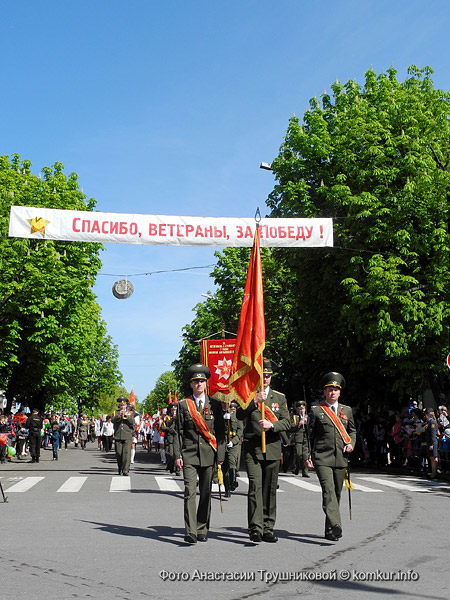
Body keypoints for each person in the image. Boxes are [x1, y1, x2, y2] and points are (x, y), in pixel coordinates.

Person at [235, 358, 291, 543]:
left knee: (269, 489)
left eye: (268, 376)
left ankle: (268, 527)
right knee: (255, 487)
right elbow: (240, 414)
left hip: (273, 447)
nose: (265, 379)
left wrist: (272, 425)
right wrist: (254, 401)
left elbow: (287, 422)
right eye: (262, 375)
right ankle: (255, 528)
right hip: (253, 448)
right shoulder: (248, 394)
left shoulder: (279, 398)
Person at [174, 364, 225, 544]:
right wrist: (177, 455)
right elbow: (178, 431)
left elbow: (220, 433)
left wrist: (221, 456)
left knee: (205, 492)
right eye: (196, 381)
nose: (199, 384)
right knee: (189, 491)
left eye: (202, 381)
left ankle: (202, 527)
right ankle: (191, 531)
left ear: (206, 383)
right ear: (191, 384)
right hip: (188, 453)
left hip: (209, 454)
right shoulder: (183, 405)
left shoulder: (216, 405)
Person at [306, 372, 356, 541]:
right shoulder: (316, 410)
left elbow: (352, 431)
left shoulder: (347, 410)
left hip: (341, 458)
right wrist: (307, 455)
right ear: (324, 392)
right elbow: (309, 435)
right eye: (329, 389)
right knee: (328, 491)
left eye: (335, 389)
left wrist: (351, 443)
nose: (332, 392)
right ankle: (336, 524)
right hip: (322, 457)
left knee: (336, 493)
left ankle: (330, 530)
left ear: (339, 392)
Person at [112, 398, 135, 475]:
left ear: (126, 405)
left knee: (126, 453)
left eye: (124, 405)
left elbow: (132, 422)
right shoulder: (115, 412)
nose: (122, 406)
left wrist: (127, 416)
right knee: (118, 453)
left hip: (127, 436)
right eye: (121, 405)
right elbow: (112, 420)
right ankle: (120, 467)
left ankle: (125, 469)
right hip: (118, 435)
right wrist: (119, 415)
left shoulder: (130, 413)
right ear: (119, 405)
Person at [291, 401, 310, 477]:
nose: (301, 410)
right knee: (299, 454)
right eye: (299, 409)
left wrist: (307, 423)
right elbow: (291, 427)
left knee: (306, 455)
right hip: (298, 438)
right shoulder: (295, 417)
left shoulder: (308, 416)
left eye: (303, 409)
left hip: (306, 438)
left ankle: (305, 472)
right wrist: (299, 424)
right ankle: (297, 467)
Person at [425, 408, 439, 479]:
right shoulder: (429, 422)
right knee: (431, 457)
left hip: (432, 442)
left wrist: (432, 444)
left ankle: (434, 472)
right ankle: (433, 472)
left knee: (434, 457)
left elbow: (433, 434)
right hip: (430, 442)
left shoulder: (432, 422)